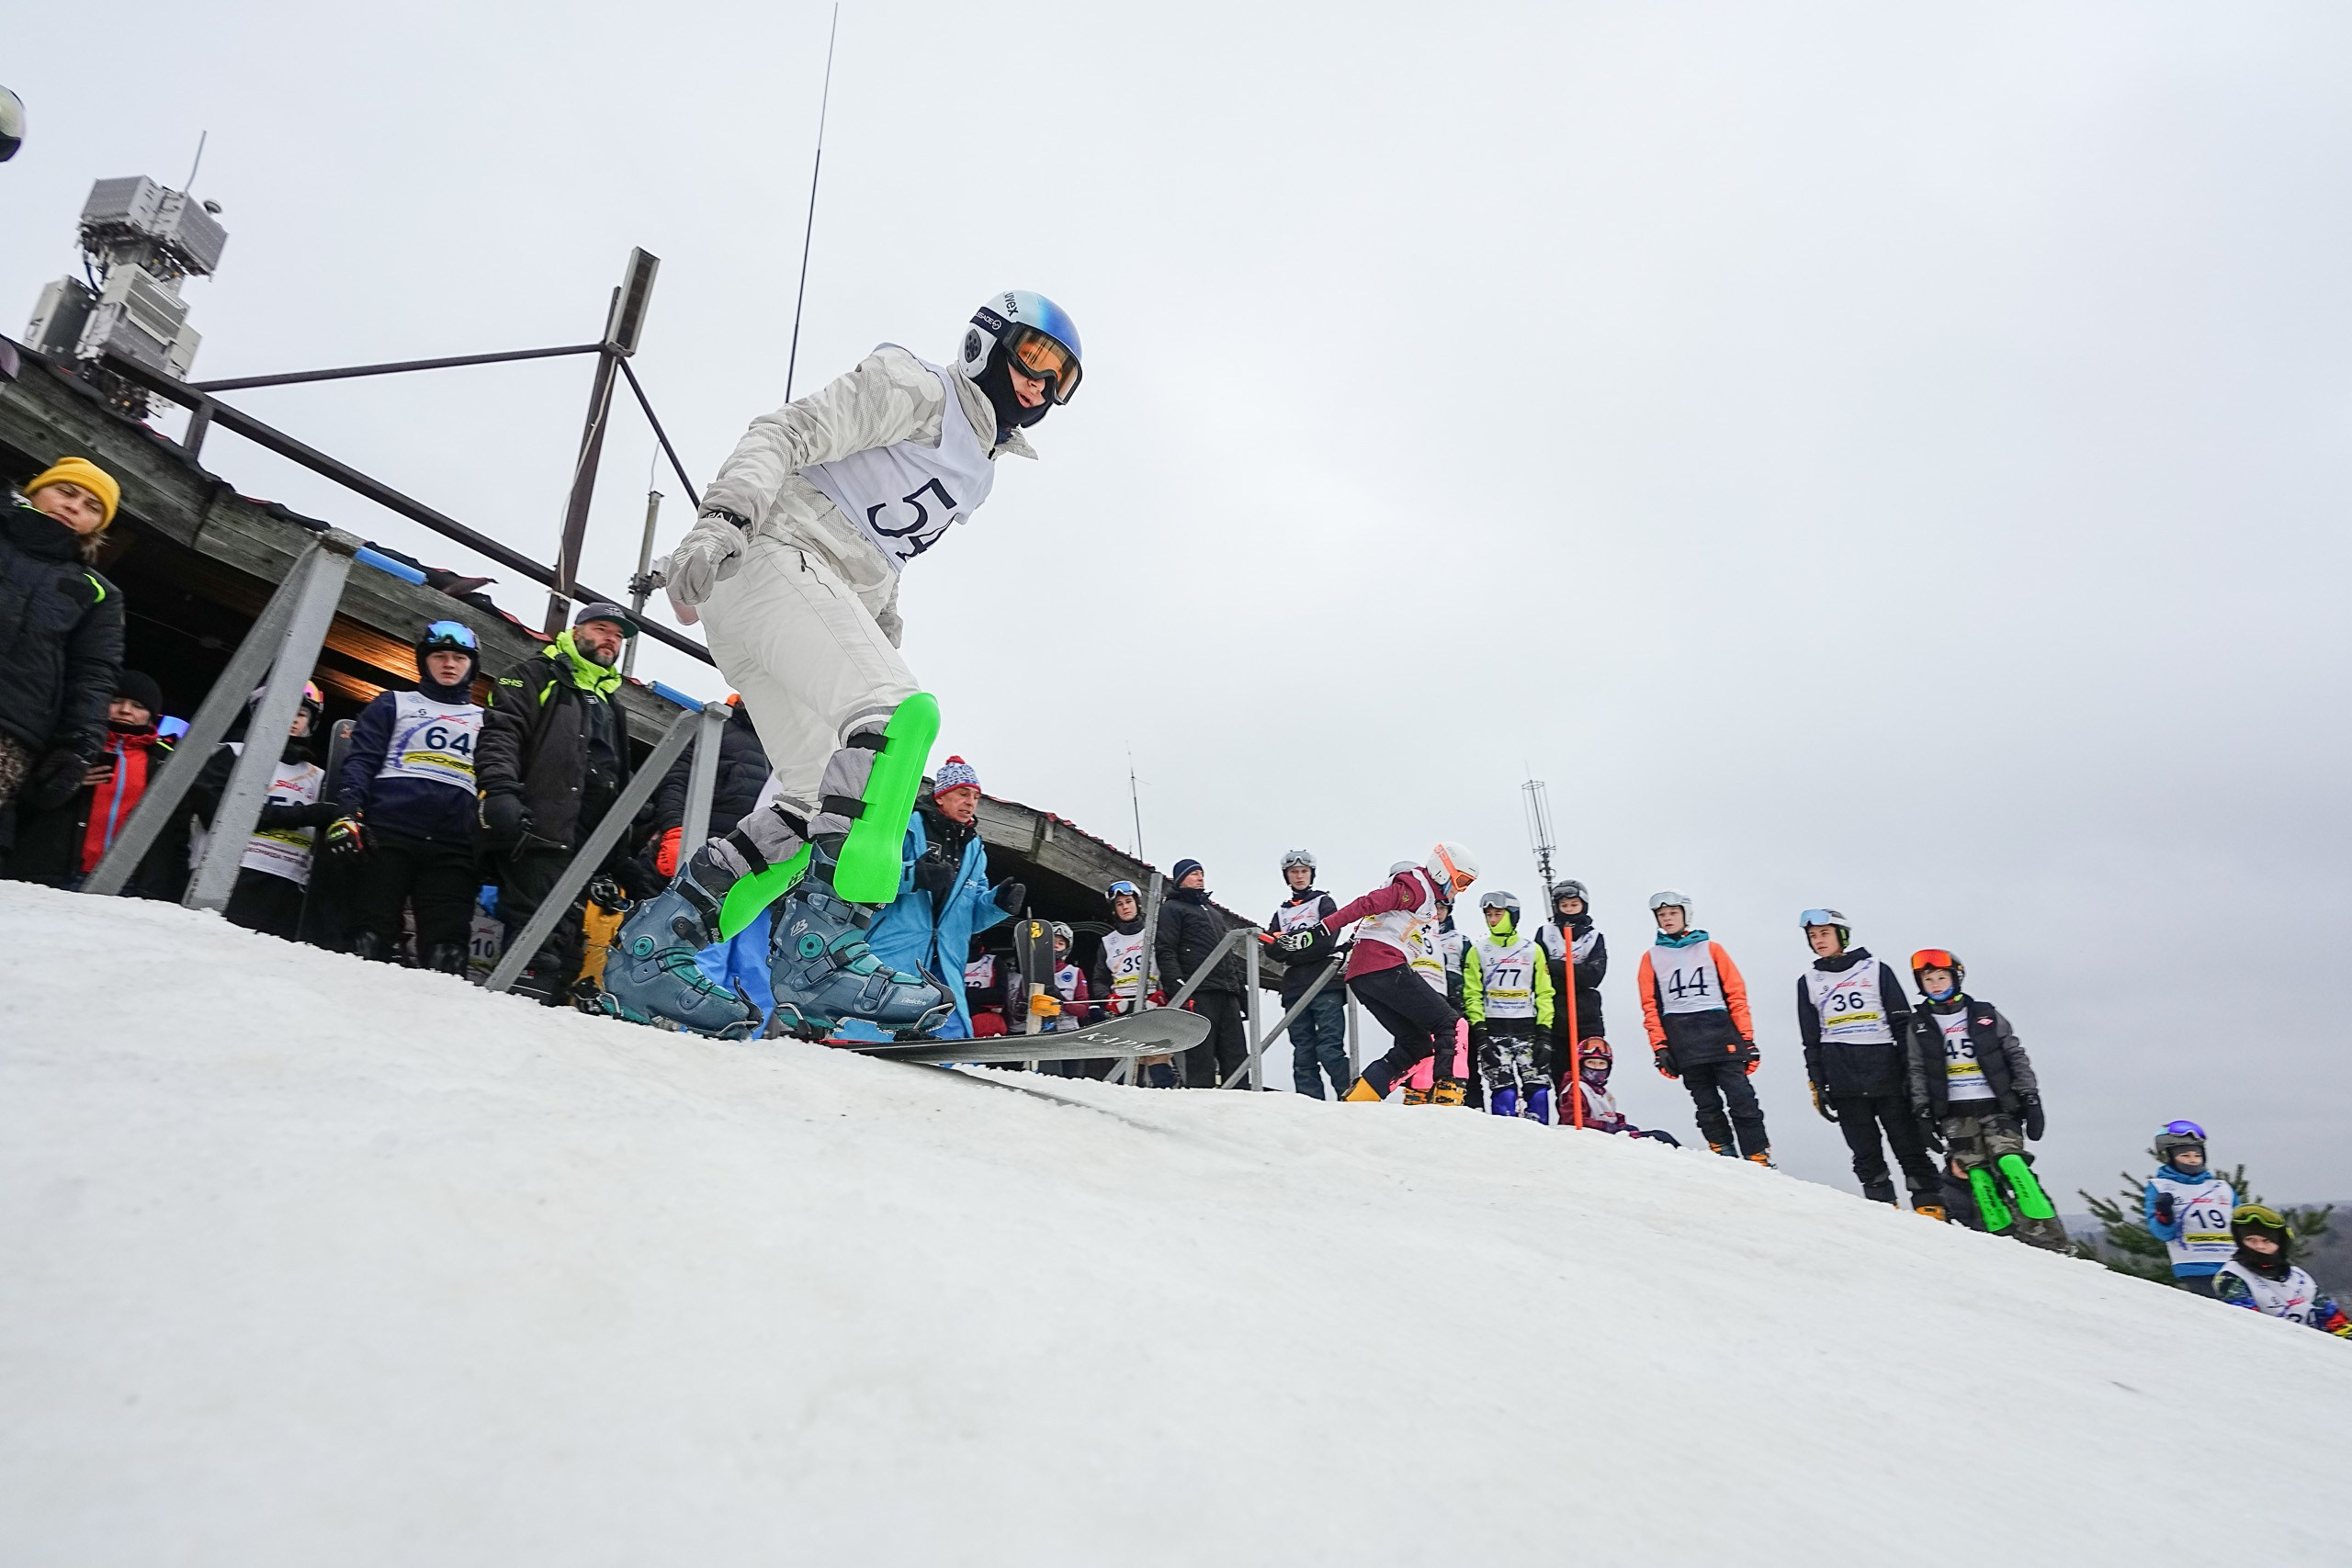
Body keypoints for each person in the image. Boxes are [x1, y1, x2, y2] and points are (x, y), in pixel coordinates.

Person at [607, 292, 1084, 1039]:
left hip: (793, 588)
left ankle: (659, 947)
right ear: (985, 341)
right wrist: (723, 520)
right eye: (1032, 358)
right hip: (770, 550)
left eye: (1061, 378)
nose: (1040, 385)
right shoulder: (920, 388)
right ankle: (825, 946)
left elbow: (878, 550)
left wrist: (882, 625)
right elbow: (785, 431)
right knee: (898, 715)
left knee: (807, 799)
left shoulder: (978, 471)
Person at [475, 604, 637, 1004]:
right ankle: (511, 1018)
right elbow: (502, 734)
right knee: (536, 941)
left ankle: (543, 1037)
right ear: (577, 631)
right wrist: (500, 791)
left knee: (571, 948)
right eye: (602, 630)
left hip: (588, 845)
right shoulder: (533, 674)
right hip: (540, 830)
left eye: (618, 637)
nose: (610, 641)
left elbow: (618, 772)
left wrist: (621, 844)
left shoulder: (611, 702)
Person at [1270, 843, 1478, 1104]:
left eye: (1467, 884)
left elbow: (1373, 922)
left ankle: (1358, 1100)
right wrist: (1320, 930)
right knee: (1452, 1023)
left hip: (1365, 975)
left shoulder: (1425, 902)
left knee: (1417, 1045)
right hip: (1384, 966)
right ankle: (1448, 1094)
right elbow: (1366, 904)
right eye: (1460, 880)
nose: (1460, 888)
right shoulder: (1416, 888)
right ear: (1442, 870)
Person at [329, 620, 483, 973]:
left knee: (448, 946)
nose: (449, 664)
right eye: (440, 656)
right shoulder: (394, 703)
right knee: (368, 932)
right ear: (423, 662)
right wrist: (348, 812)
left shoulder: (487, 720)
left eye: (459, 658)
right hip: (389, 833)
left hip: (454, 843)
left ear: (471, 665)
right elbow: (362, 760)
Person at [837, 756, 1023, 1043]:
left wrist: (997, 904)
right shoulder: (907, 827)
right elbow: (866, 878)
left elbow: (970, 918)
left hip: (947, 959)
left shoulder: (975, 848)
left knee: (950, 1038)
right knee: (873, 1027)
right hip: (895, 949)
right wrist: (913, 875)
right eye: (963, 794)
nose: (971, 802)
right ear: (940, 795)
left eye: (976, 796)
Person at [1901, 948, 2062, 1243]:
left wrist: (2031, 1098)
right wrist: (1922, 1112)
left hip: (1998, 1106)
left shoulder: (1984, 1014)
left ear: (1956, 978)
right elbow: (1916, 1069)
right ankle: (2003, 1238)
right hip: (1954, 1113)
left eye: (1941, 977)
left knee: (2013, 1165)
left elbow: (2015, 1054)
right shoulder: (1919, 1024)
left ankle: (2050, 1238)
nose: (1935, 984)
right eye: (1928, 980)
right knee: (1978, 1176)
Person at [2, 457, 125, 813]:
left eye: (92, 506)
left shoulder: (99, 592)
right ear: (36, 490)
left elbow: (94, 674)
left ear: (97, 525)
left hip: (11, 730)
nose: (73, 507)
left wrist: (79, 746)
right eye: (65, 492)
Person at [1795, 908, 1939, 1213]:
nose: (1818, 941)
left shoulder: (1876, 970)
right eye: (1812, 936)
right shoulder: (1808, 981)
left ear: (1841, 935)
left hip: (1887, 1074)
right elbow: (1811, 1040)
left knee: (1910, 1148)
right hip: (1843, 1078)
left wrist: (1912, 1074)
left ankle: (1933, 1211)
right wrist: (1818, 1083)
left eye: (1824, 934)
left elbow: (1903, 1025)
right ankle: (1884, 1212)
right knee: (1865, 1154)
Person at [642, 696, 775, 1026]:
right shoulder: (718, 728)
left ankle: (743, 1032)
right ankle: (687, 1024)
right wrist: (675, 830)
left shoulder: (784, 747)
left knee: (755, 964)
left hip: (764, 872)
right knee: (704, 949)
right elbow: (677, 781)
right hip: (715, 862)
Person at [185, 682, 340, 940]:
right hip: (229, 877)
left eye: (301, 714)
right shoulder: (231, 754)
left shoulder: (319, 776)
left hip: (287, 887)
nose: (293, 719)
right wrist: (306, 815)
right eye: (285, 709)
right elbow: (218, 814)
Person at [1635, 890, 1771, 1164]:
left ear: (1685, 915)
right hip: (1683, 1039)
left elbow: (1736, 994)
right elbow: (1649, 1006)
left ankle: (1757, 1154)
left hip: (1720, 1035)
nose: (1667, 918)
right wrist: (1660, 1047)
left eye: (1673, 913)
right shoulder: (1651, 957)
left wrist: (1747, 1038)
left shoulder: (1712, 949)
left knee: (1742, 1097)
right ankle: (1722, 1150)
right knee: (1706, 1103)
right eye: (1662, 915)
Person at [8, 670, 171, 894]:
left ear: (152, 716)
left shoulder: (165, 765)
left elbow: (175, 836)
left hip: (129, 885)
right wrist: (66, 783)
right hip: (51, 874)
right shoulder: (65, 745)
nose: (125, 710)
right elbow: (19, 802)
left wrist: (166, 887)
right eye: (115, 701)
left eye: (138, 706)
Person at [1463, 890, 1555, 1122]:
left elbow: (1545, 993)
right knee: (1504, 1091)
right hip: (1494, 1031)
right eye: (1489, 915)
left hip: (1528, 1031)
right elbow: (1472, 994)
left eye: (1498, 914)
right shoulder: (1478, 951)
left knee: (1538, 1091)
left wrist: (1545, 1035)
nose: (1493, 919)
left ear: (1512, 915)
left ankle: (1543, 1141)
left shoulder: (1532, 949)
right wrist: (1481, 1036)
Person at [1156, 858, 1248, 1088]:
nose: (1200, 878)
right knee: (1201, 1056)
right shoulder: (1172, 909)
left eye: (1201, 874)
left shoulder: (1214, 913)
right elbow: (1166, 950)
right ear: (1180, 879)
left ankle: (1244, 1104)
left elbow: (1228, 953)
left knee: (1236, 1055)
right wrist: (1179, 990)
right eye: (1193, 874)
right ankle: (1201, 1106)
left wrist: (1241, 993)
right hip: (1198, 991)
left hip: (1227, 992)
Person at [1266, 850, 1348, 1099]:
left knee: (1330, 1049)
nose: (1299, 876)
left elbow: (1327, 941)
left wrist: (1291, 948)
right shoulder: (1280, 913)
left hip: (1325, 985)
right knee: (1303, 1051)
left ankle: (1351, 1097)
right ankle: (1309, 1103)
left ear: (1312, 874)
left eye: (1304, 871)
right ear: (1286, 876)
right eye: (1294, 872)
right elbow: (1271, 949)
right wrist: (1301, 946)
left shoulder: (1323, 902)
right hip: (1294, 988)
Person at [2213, 1205, 2352, 1336]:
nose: (2259, 1246)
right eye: (2251, 1240)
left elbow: (2330, 1315)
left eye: (2266, 1241)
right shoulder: (2231, 1277)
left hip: (2317, 1349)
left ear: (2280, 1244)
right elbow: (2249, 1324)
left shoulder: (2299, 1277)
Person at [1093, 877, 1175, 1087]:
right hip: (1122, 1006)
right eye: (1119, 904)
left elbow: (1168, 966)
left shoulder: (1153, 934)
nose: (1125, 907)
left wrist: (1163, 994)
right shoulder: (1108, 942)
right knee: (1128, 1065)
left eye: (1128, 902)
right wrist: (1108, 998)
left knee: (1158, 1061)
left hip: (1151, 1003)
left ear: (1137, 904)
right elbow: (1099, 980)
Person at [2143, 1121, 2237, 1296]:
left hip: (2232, 1262)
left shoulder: (2221, 1187)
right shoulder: (2160, 1187)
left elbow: (2241, 1223)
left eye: (2197, 1155)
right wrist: (2164, 1214)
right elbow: (2162, 1233)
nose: (2192, 1160)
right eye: (2185, 1156)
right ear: (2171, 1158)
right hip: (2195, 1264)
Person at [1535, 880, 1606, 1084]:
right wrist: (1574, 973)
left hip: (1587, 1016)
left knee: (1590, 1073)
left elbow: (1594, 976)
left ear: (1583, 905)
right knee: (1561, 1076)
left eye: (1573, 905)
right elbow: (1540, 972)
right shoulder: (1546, 933)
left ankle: (1590, 1115)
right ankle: (1566, 1115)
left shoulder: (1593, 937)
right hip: (1556, 1014)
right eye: (1564, 906)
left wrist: (1558, 967)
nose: (1568, 910)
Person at [1566, 1042, 1679, 1144]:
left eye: (1601, 1064)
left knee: (1661, 1136)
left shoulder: (1606, 1094)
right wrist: (1608, 1127)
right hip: (1590, 1138)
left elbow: (1611, 1117)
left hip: (1608, 1135)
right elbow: (1572, 1119)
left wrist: (1621, 1125)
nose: (1596, 1067)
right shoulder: (1577, 1088)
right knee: (1659, 1138)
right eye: (1591, 1063)